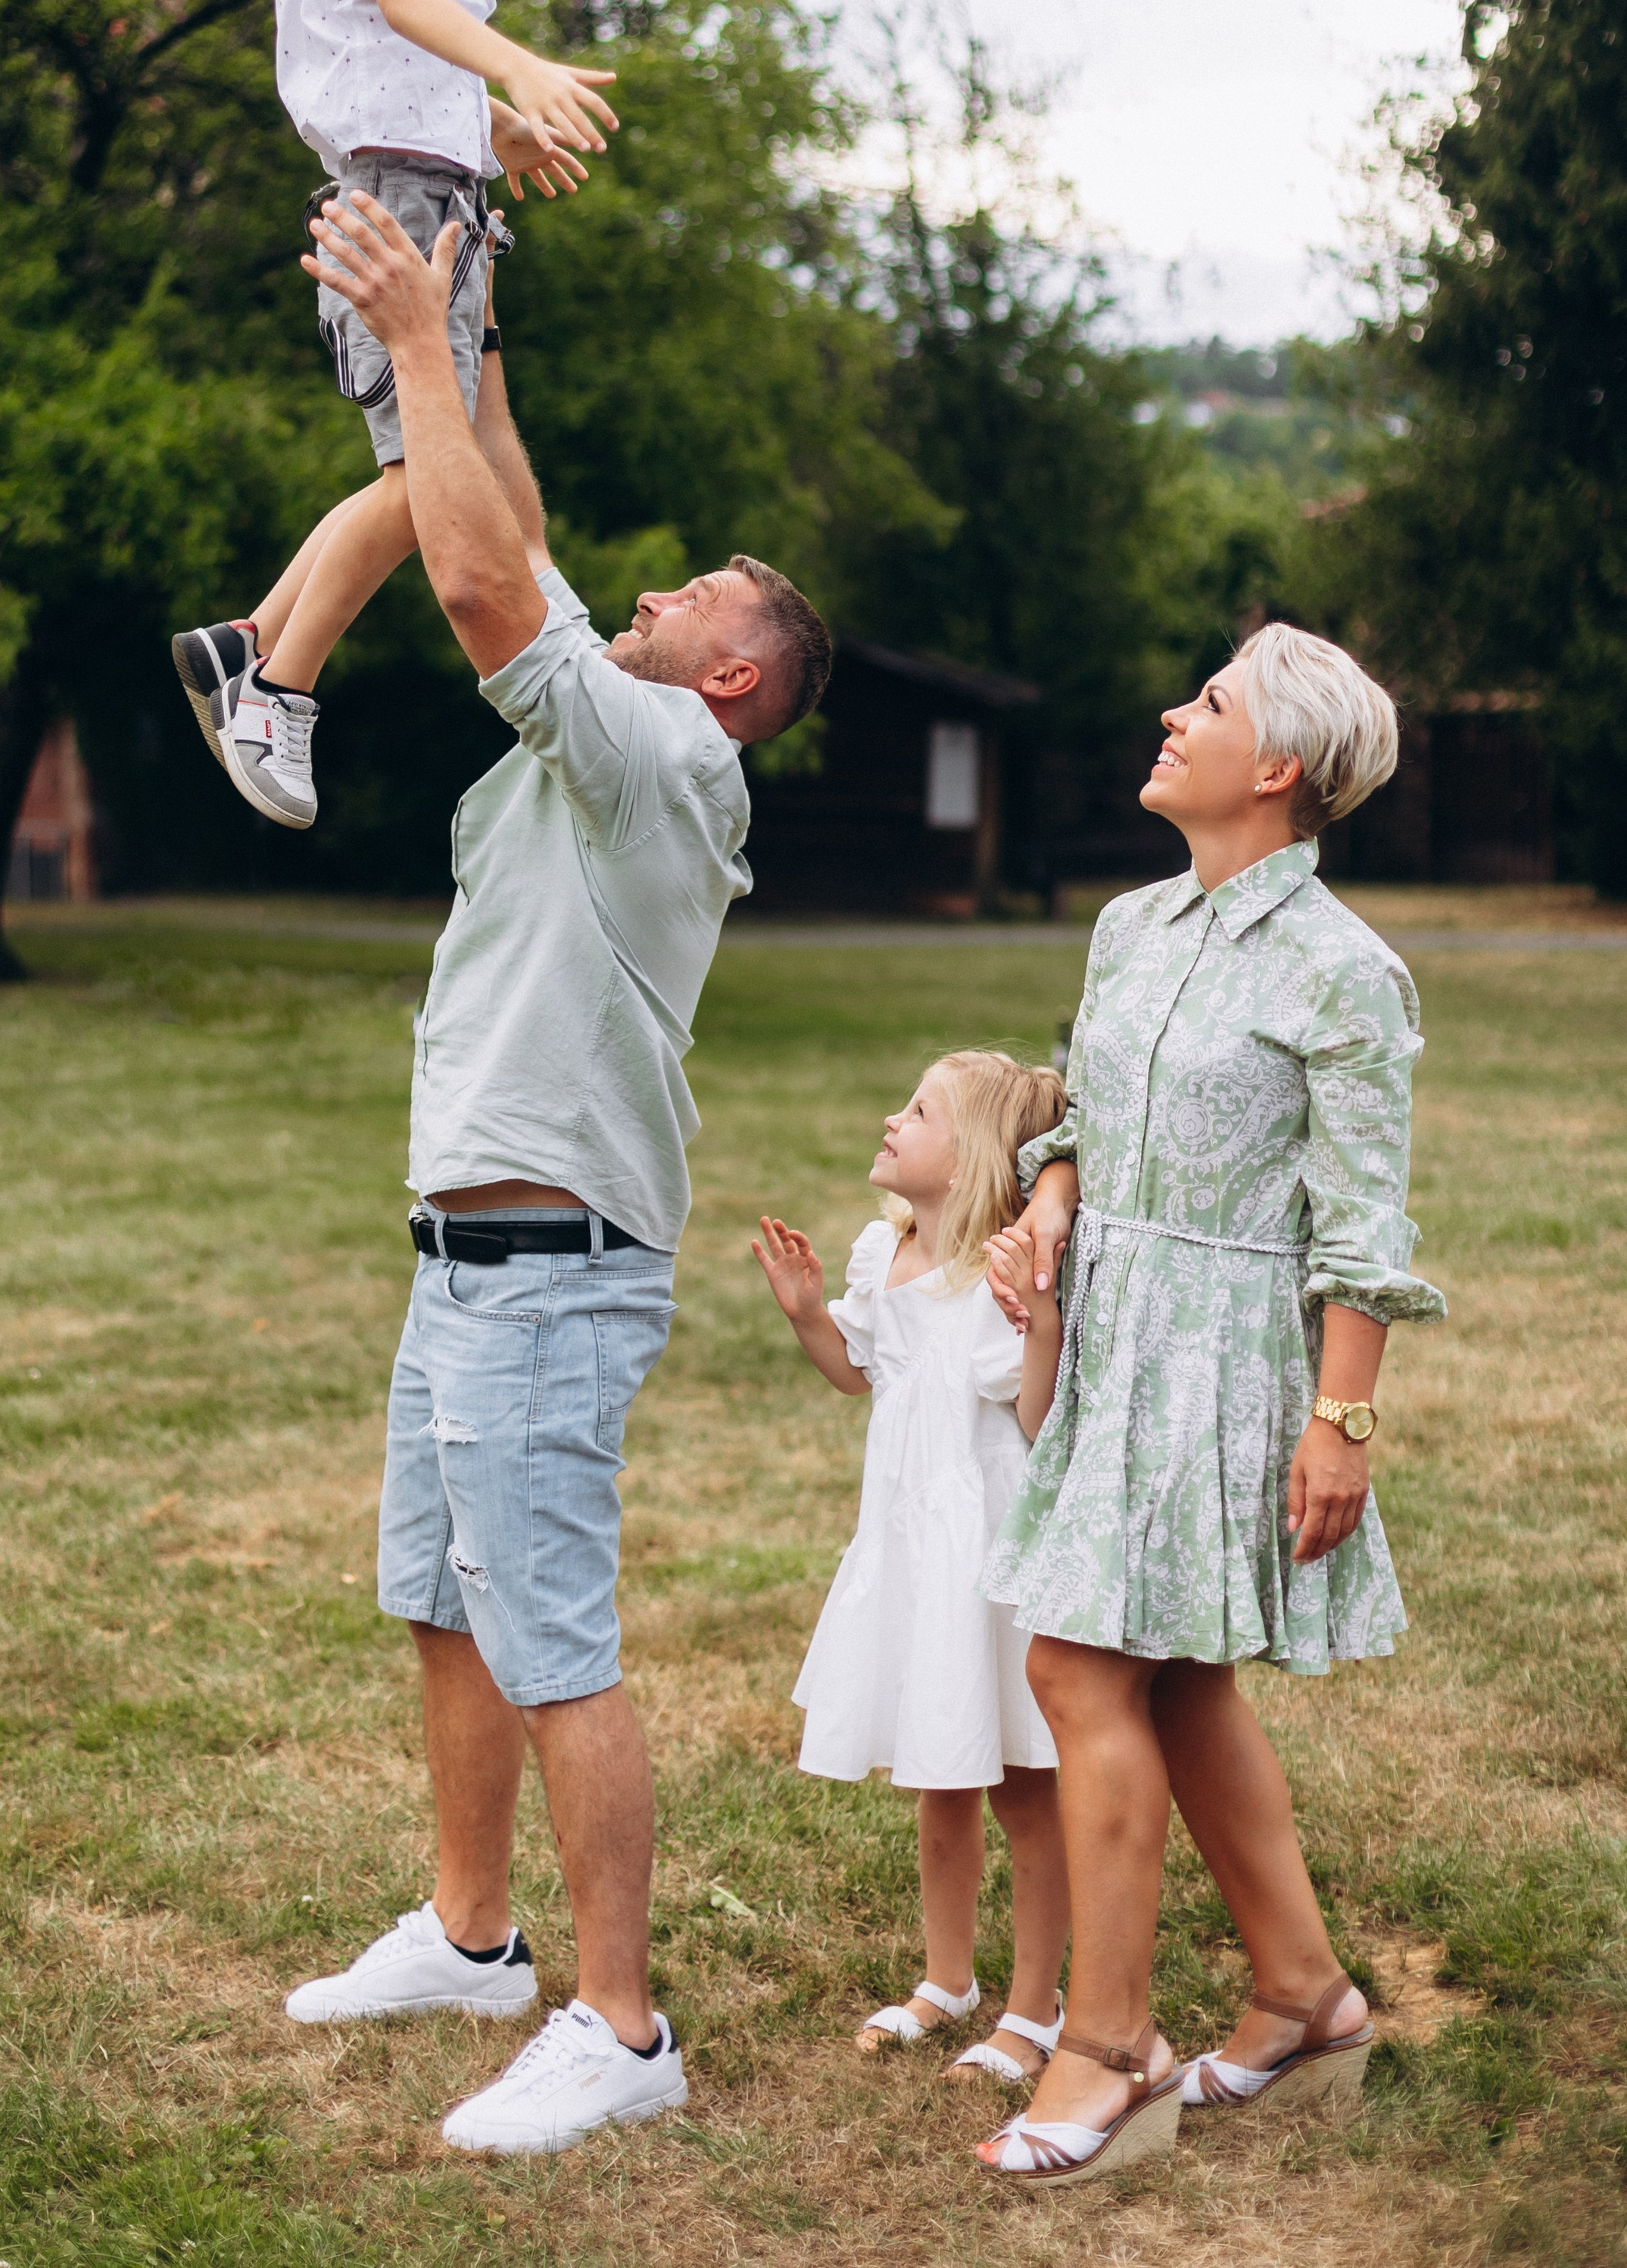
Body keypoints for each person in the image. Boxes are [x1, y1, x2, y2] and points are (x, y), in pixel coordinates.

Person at [279, 186, 831, 2157]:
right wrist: (474, 316)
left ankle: (621, 2025)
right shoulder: (622, 719)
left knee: (555, 1641)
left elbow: (485, 589)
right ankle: (472, 1934)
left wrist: (416, 348)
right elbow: (501, 511)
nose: (651, 597)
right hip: (462, 1261)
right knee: (446, 1601)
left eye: (692, 598)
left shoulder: (671, 762)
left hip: (554, 1265)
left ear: (733, 684)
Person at [970, 623, 1445, 2188]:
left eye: (1210, 703)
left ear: (1278, 768)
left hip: (1231, 1360)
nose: (1171, 715)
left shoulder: (1344, 974)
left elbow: (1362, 1227)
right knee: (1168, 1682)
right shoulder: (1128, 924)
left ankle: (1106, 2048)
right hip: (1113, 1339)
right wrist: (1048, 1194)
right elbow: (1093, 1109)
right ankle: (1305, 1996)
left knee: (1076, 1661)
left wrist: (1340, 1423)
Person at [170, 0, 620, 830]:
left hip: (434, 195)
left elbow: (409, 57)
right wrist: (512, 64)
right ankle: (275, 685)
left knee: (428, 476)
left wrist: (497, 127)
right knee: (431, 480)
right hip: (401, 202)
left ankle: (245, 641)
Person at [750, 1051, 1072, 2092]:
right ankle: (948, 1980)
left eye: (919, 1111)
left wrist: (1041, 1323)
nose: (893, 1119)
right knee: (938, 1773)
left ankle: (1036, 2008)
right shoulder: (879, 1256)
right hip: (906, 1550)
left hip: (985, 1565)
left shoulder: (994, 1280)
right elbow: (860, 1373)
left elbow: (1034, 1418)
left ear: (970, 1158)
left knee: (1024, 1791)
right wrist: (809, 1314)